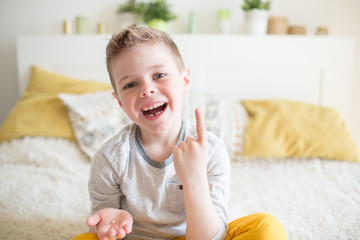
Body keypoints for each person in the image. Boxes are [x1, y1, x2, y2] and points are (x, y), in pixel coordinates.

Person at [73, 25, 287, 240]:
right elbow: (101, 226)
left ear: (185, 80)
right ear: (119, 102)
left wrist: (194, 178)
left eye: (159, 75)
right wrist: (108, 225)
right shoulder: (109, 157)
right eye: (131, 84)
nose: (146, 89)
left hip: (193, 236)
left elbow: (213, 237)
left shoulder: (210, 150)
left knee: (267, 227)